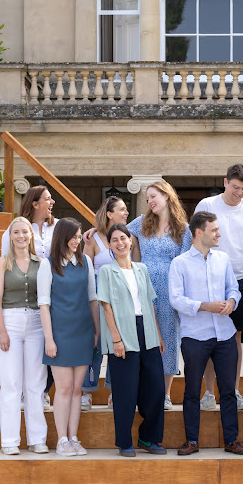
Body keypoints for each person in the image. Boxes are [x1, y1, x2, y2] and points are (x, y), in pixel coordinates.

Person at [169, 211, 243, 456]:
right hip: (195, 336)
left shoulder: (223, 259)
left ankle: (232, 440)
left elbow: (233, 288)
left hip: (225, 334)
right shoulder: (179, 263)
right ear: (199, 232)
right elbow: (176, 300)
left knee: (228, 391)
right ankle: (191, 440)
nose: (219, 234)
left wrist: (232, 301)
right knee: (191, 390)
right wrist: (205, 306)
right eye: (214, 230)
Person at [194, 164, 243, 411]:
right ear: (225, 182)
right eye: (235, 187)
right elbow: (198, 241)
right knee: (211, 336)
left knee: (235, 339)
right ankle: (209, 394)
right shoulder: (207, 205)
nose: (239, 193)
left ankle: (233, 391)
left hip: (242, 279)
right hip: (212, 279)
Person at [97, 224, 166, 457]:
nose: (120, 243)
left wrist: (157, 334)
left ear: (131, 241)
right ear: (109, 245)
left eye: (123, 238)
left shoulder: (141, 269)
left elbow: (150, 302)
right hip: (123, 334)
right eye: (114, 240)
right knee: (126, 391)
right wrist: (116, 339)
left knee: (155, 389)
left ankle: (149, 438)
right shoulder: (107, 271)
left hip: (147, 332)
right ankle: (124, 442)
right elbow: (105, 306)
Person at [37, 218, 100, 457]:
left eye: (78, 236)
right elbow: (44, 304)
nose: (76, 241)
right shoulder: (48, 264)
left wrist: (96, 332)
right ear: (62, 237)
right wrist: (49, 339)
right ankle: (61, 439)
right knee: (62, 389)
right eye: (72, 236)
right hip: (60, 335)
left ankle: (73, 437)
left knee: (76, 389)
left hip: (83, 333)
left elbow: (92, 298)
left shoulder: (86, 261)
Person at [128, 180, 192, 410]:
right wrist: (95, 231)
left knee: (168, 338)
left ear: (167, 196)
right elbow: (117, 233)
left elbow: (186, 264)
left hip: (169, 288)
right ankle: (141, 391)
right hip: (143, 285)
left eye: (153, 196)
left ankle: (164, 394)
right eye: (147, 199)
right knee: (143, 337)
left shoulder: (183, 229)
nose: (150, 201)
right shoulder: (141, 223)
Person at [0, 217, 48, 455]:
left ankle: (37, 439)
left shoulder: (41, 263)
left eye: (25, 231)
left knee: (35, 383)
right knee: (11, 383)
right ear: (10, 236)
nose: (21, 236)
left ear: (31, 235)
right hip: (10, 323)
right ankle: (10, 441)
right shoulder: (2, 263)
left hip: (36, 323)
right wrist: (3, 331)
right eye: (16, 232)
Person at [2, 185, 58, 410]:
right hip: (25, 297)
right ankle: (28, 391)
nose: (52, 202)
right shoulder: (15, 229)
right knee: (31, 349)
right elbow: (7, 263)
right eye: (47, 198)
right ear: (34, 203)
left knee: (52, 342)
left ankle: (44, 389)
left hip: (54, 294)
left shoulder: (57, 226)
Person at [81, 196, 129, 411]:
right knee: (96, 345)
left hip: (120, 297)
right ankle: (87, 392)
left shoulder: (128, 236)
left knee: (116, 345)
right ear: (109, 213)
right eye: (122, 209)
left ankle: (114, 391)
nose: (126, 213)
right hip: (98, 297)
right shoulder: (93, 239)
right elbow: (85, 270)